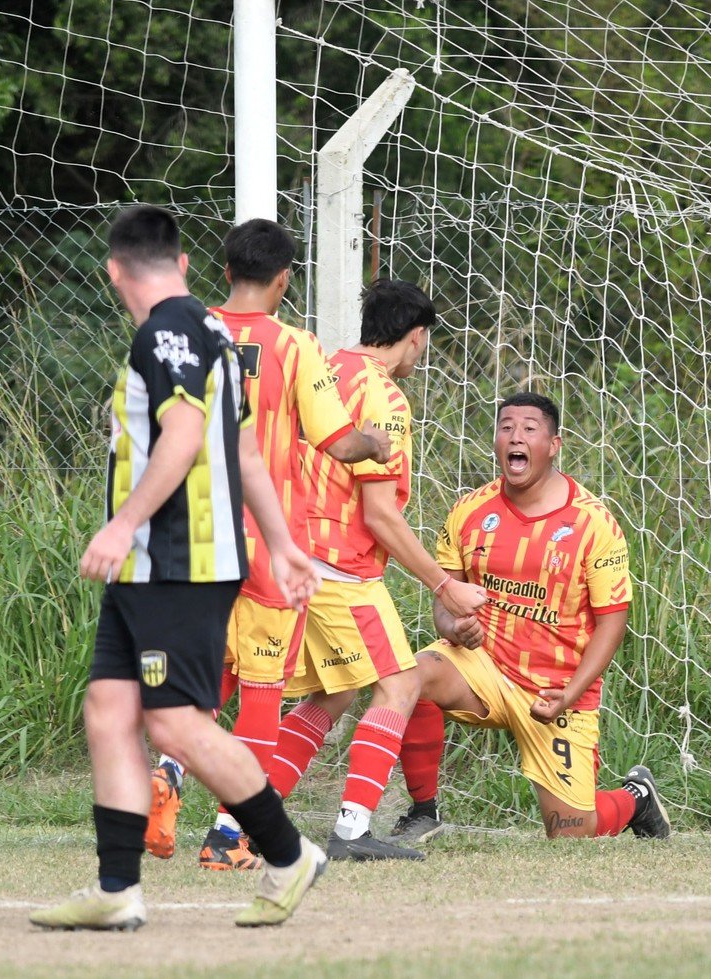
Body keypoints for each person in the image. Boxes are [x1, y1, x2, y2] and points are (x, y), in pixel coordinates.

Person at [30, 206, 325, 932]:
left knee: (174, 725)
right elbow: (244, 450)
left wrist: (122, 522)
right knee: (109, 709)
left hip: (176, 563)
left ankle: (288, 854)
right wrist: (282, 542)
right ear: (185, 263)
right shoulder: (214, 331)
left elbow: (186, 433)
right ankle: (116, 888)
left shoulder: (164, 331)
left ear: (113, 270)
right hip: (146, 568)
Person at [145, 218, 395, 871]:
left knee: (211, 673)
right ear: (284, 279)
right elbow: (338, 441)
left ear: (226, 270)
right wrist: (374, 441)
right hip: (266, 541)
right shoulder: (294, 345)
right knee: (261, 691)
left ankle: (170, 766)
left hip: (192, 536)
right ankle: (229, 836)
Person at [264, 277, 487, 862]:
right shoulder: (384, 397)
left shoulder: (321, 369)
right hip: (341, 568)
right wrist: (445, 585)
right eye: (425, 342)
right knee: (400, 684)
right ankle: (353, 830)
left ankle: (246, 818)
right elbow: (380, 514)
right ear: (415, 336)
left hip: (286, 555)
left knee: (335, 692)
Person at [387, 392, 669, 846]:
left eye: (529, 429)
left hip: (556, 690)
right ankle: (423, 811)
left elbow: (613, 623)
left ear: (554, 445)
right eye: (506, 427)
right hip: (483, 668)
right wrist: (453, 627)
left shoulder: (594, 523)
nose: (515, 437)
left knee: (572, 834)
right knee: (408, 675)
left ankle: (636, 799)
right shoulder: (468, 510)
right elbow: (445, 600)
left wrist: (570, 694)